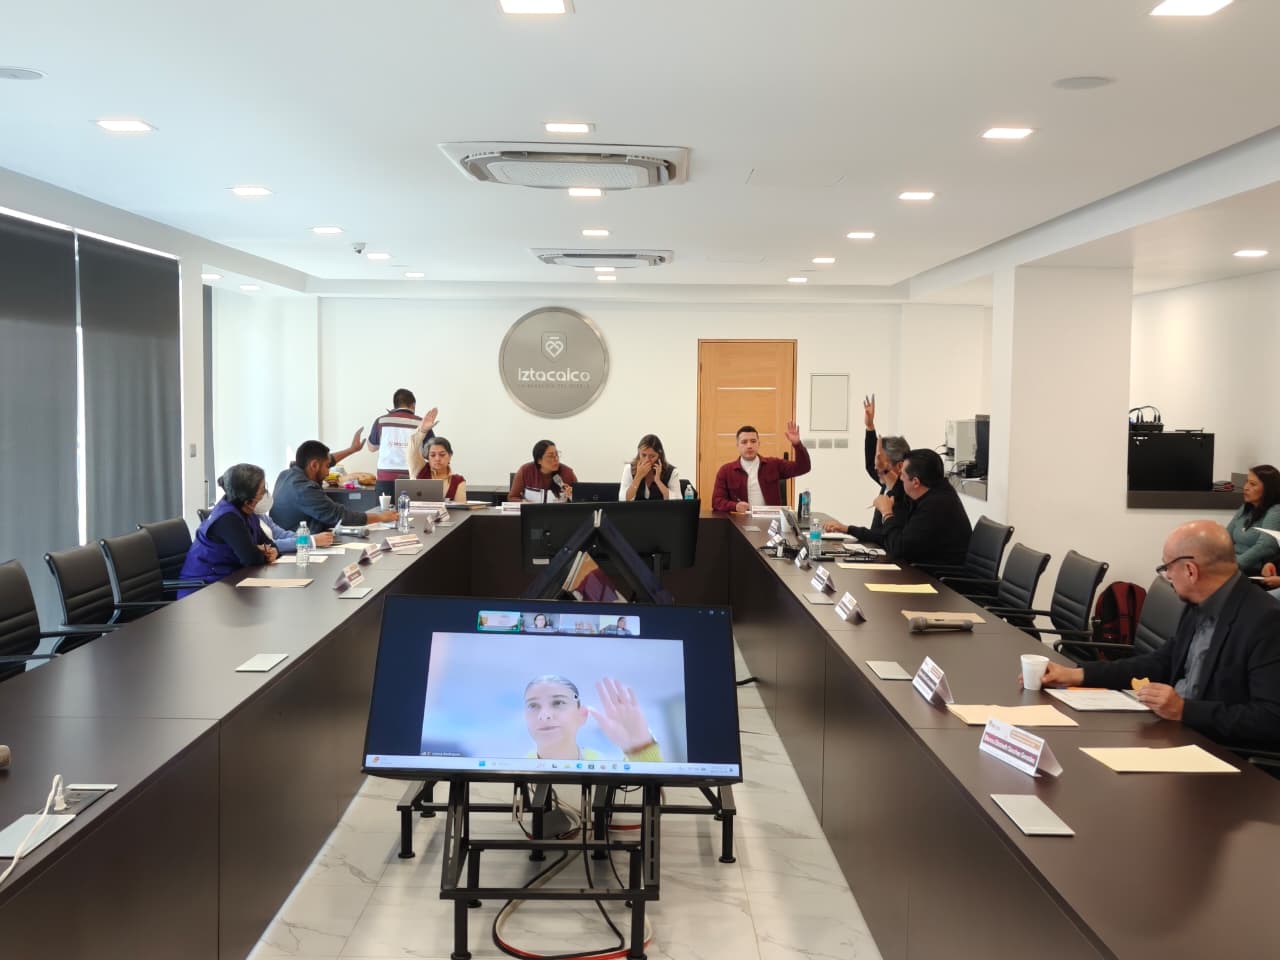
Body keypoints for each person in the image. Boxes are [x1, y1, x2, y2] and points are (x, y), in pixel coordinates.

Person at [1039, 520, 1280, 748]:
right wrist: (1078, 674)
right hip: (1173, 730)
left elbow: (1271, 719)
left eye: (1167, 568)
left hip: (1219, 751)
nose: (1168, 577)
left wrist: (1184, 710)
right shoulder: (1200, 602)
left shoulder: (1265, 621)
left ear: (1190, 571)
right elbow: (1161, 662)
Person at [179, 464, 279, 595]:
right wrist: (260, 552)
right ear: (247, 498)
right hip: (203, 590)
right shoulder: (227, 518)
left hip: (229, 582)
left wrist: (273, 551)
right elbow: (250, 558)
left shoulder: (247, 513)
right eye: (262, 489)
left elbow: (268, 543)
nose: (264, 493)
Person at [824, 397, 909, 542]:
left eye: (882, 464)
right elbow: (871, 464)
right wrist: (870, 427)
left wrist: (847, 529)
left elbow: (884, 538)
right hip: (874, 546)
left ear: (899, 466)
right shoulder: (887, 482)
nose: (877, 468)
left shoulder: (904, 492)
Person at [523, 675, 662, 761]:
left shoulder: (603, 766)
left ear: (582, 715)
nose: (544, 715)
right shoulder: (516, 768)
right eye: (533, 705)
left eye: (558, 702)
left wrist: (641, 750)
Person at [270, 439, 397, 532]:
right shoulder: (303, 489)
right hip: (299, 546)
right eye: (327, 466)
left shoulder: (286, 474)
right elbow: (339, 516)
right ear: (314, 465)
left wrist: (351, 450)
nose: (328, 472)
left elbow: (327, 460)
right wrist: (380, 517)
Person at [878, 449, 971, 566]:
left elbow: (899, 549)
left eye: (903, 475)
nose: (900, 478)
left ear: (916, 482)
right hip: (927, 568)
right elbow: (901, 536)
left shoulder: (936, 505)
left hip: (938, 574)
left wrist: (887, 513)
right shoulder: (936, 493)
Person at [711, 421, 811, 514]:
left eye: (753, 441)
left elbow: (803, 467)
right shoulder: (726, 471)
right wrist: (735, 506)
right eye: (744, 442)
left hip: (770, 521)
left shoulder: (773, 464)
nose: (749, 446)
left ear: (758, 444)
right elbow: (716, 502)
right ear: (737, 445)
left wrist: (797, 444)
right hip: (741, 521)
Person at [367, 388, 435, 497]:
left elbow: (371, 448)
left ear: (395, 405)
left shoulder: (381, 421)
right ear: (413, 405)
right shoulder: (422, 423)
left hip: (386, 478)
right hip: (414, 477)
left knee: (384, 508)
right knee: (412, 508)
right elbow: (431, 452)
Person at [1224, 465, 1280, 575]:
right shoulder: (1246, 507)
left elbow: (1266, 546)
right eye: (1246, 482)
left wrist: (1233, 565)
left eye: (1252, 484)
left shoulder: (1275, 511)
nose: (1245, 487)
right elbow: (1226, 537)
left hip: (1252, 569)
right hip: (1232, 563)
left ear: (1268, 489)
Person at [509, 440, 577, 502]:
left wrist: (572, 496)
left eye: (557, 454)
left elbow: (580, 500)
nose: (556, 459)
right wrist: (526, 504)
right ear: (539, 460)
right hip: (533, 511)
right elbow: (512, 497)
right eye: (550, 456)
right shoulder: (525, 471)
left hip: (559, 511)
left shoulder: (568, 473)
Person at [407, 430, 467, 501]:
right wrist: (423, 430)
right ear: (428, 457)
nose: (437, 459)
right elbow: (412, 450)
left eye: (442, 455)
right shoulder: (420, 469)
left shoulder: (458, 481)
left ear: (450, 456)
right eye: (432, 455)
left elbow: (460, 506)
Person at [620, 434, 681, 501]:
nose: (647, 460)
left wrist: (658, 481)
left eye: (652, 456)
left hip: (661, 507)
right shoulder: (629, 469)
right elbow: (623, 500)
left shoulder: (672, 472)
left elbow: (678, 500)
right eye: (643, 455)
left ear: (659, 456)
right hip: (636, 508)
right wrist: (638, 477)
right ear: (639, 453)